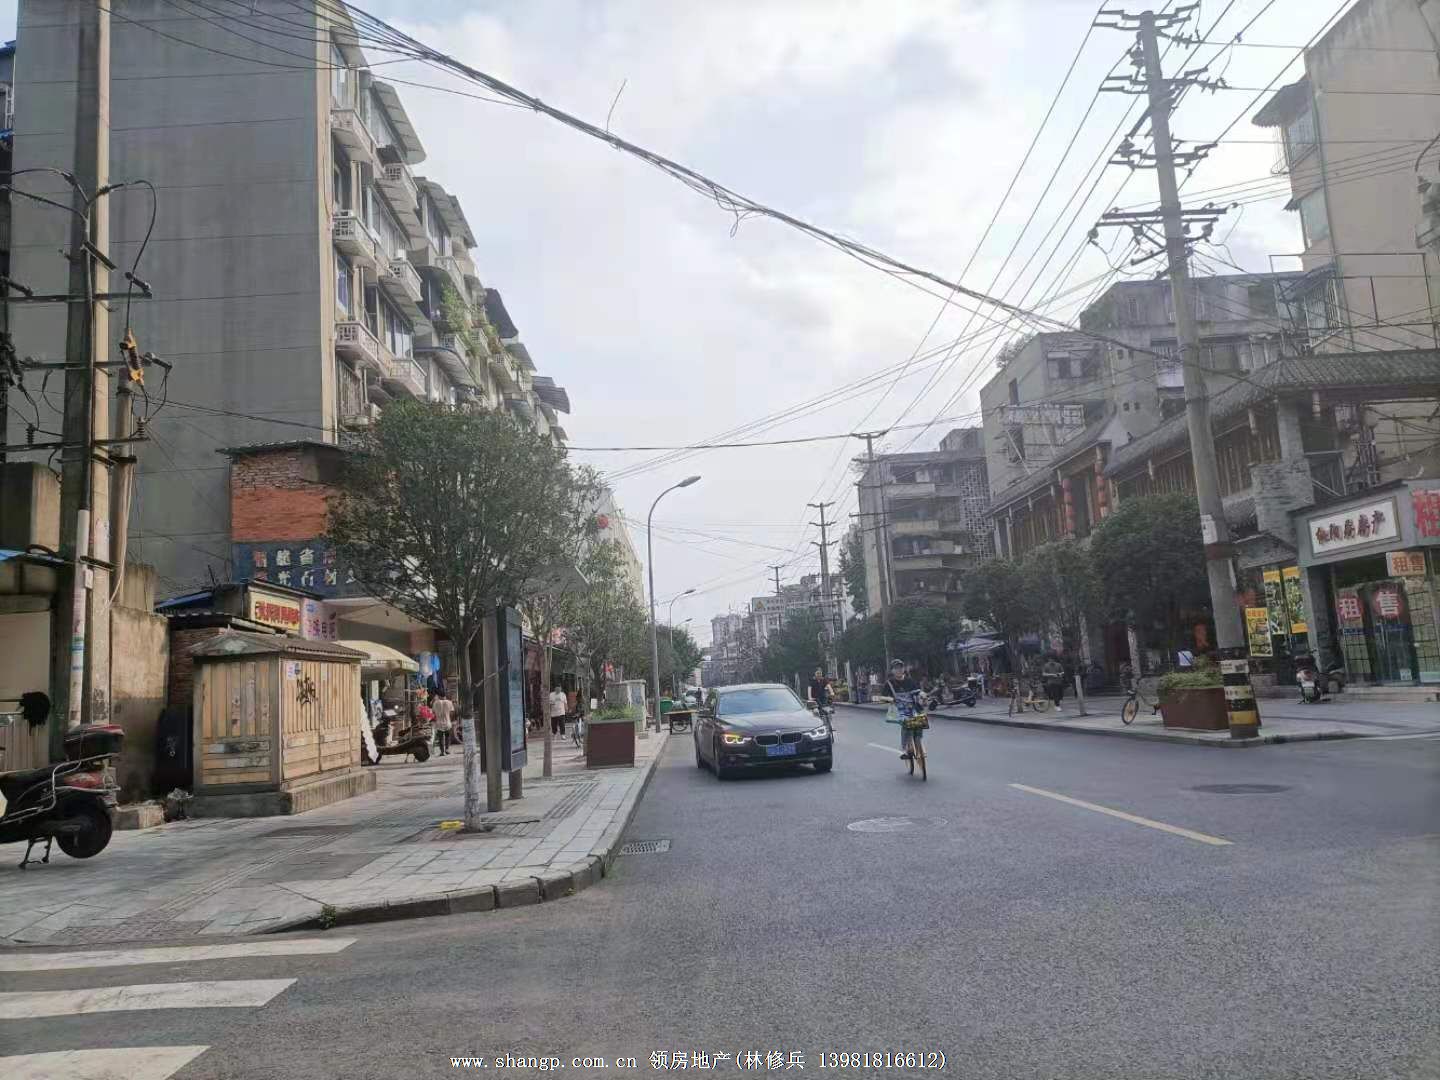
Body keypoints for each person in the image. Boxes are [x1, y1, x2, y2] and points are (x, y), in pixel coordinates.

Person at [885, 659, 921, 760]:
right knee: (905, 724)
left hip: (912, 707)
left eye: (900, 667)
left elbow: (918, 691)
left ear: (904, 669)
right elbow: (882, 696)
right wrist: (889, 699)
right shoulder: (889, 683)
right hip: (899, 710)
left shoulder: (910, 681)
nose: (899, 670)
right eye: (896, 668)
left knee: (920, 723)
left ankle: (918, 745)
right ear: (892, 671)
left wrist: (922, 695)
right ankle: (904, 749)